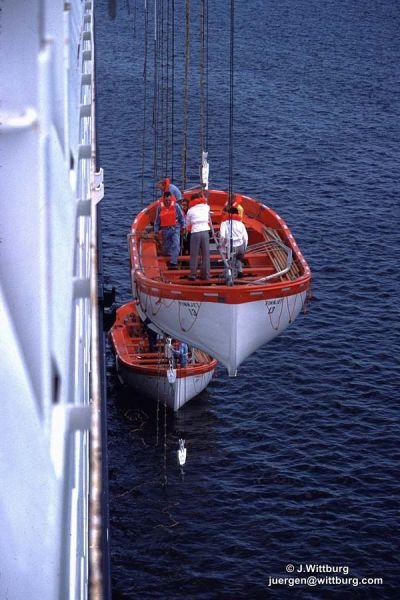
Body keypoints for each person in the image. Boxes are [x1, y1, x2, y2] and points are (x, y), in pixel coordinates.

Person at [154, 191, 186, 268]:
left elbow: (181, 217)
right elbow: (157, 220)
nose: (168, 202)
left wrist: (183, 226)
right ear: (164, 199)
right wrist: (156, 230)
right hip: (165, 230)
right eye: (166, 200)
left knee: (176, 245)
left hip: (175, 228)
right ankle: (167, 261)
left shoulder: (176, 206)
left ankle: (173, 263)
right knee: (166, 247)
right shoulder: (160, 208)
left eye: (169, 200)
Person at [185, 192, 211, 281]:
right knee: (206, 254)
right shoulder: (206, 207)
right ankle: (205, 275)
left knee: (194, 254)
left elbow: (188, 223)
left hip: (195, 231)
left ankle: (193, 274)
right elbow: (208, 217)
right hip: (205, 231)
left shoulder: (190, 210)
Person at [219, 206, 248, 277]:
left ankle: (229, 277)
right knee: (239, 259)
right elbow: (245, 238)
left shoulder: (224, 223)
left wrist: (221, 245)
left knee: (229, 262)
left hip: (231, 247)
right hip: (241, 246)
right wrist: (244, 248)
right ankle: (240, 271)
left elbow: (222, 236)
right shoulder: (241, 224)